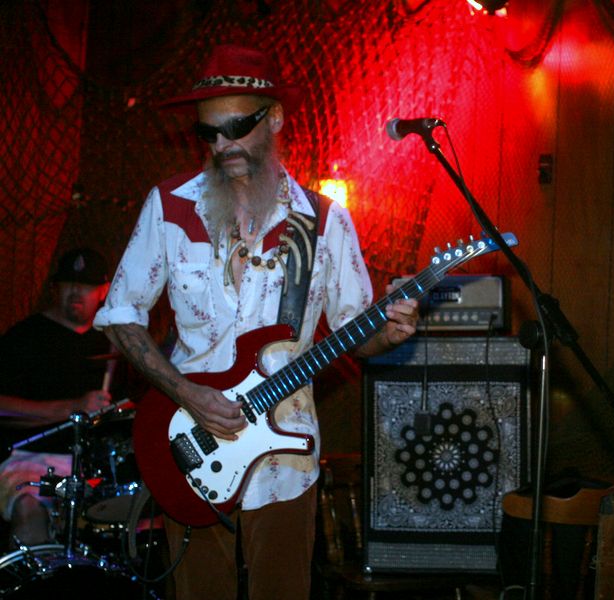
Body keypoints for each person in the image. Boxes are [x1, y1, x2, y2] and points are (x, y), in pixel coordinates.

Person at [93, 44, 418, 600]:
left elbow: (354, 331)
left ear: (275, 119)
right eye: (209, 133)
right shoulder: (169, 206)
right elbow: (121, 316)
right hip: (189, 445)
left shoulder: (324, 221)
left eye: (237, 128)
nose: (223, 146)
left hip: (286, 457)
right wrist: (187, 394)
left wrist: (388, 332)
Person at [0, 247, 112, 547]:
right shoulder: (24, 337)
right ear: (55, 288)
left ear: (104, 291)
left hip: (93, 469)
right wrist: (72, 408)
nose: (76, 291)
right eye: (68, 283)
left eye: (86, 285)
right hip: (30, 459)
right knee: (30, 510)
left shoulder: (113, 344)